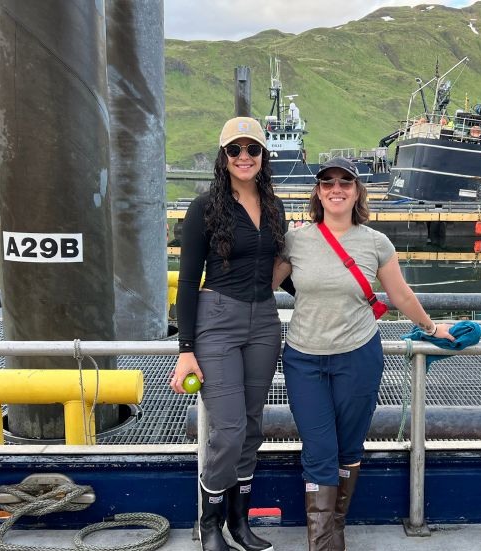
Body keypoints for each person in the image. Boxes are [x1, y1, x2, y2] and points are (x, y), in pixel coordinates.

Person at [272, 157, 453, 551]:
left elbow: (400, 294)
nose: (336, 190)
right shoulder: (295, 240)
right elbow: (259, 283)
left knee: (349, 449)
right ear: (318, 192)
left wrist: (430, 327)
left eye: (344, 183)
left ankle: (334, 534)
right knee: (320, 452)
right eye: (327, 183)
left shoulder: (375, 243)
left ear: (357, 192)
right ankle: (324, 545)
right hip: (304, 360)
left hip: (358, 357)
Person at [172, 116, 287, 551]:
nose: (244, 157)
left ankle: (240, 523)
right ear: (223, 158)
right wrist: (186, 348)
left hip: (265, 321)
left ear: (263, 156)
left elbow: (284, 269)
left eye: (252, 149)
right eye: (234, 150)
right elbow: (186, 281)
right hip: (217, 318)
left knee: (253, 427)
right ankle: (209, 523)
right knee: (229, 429)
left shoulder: (274, 207)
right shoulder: (206, 207)